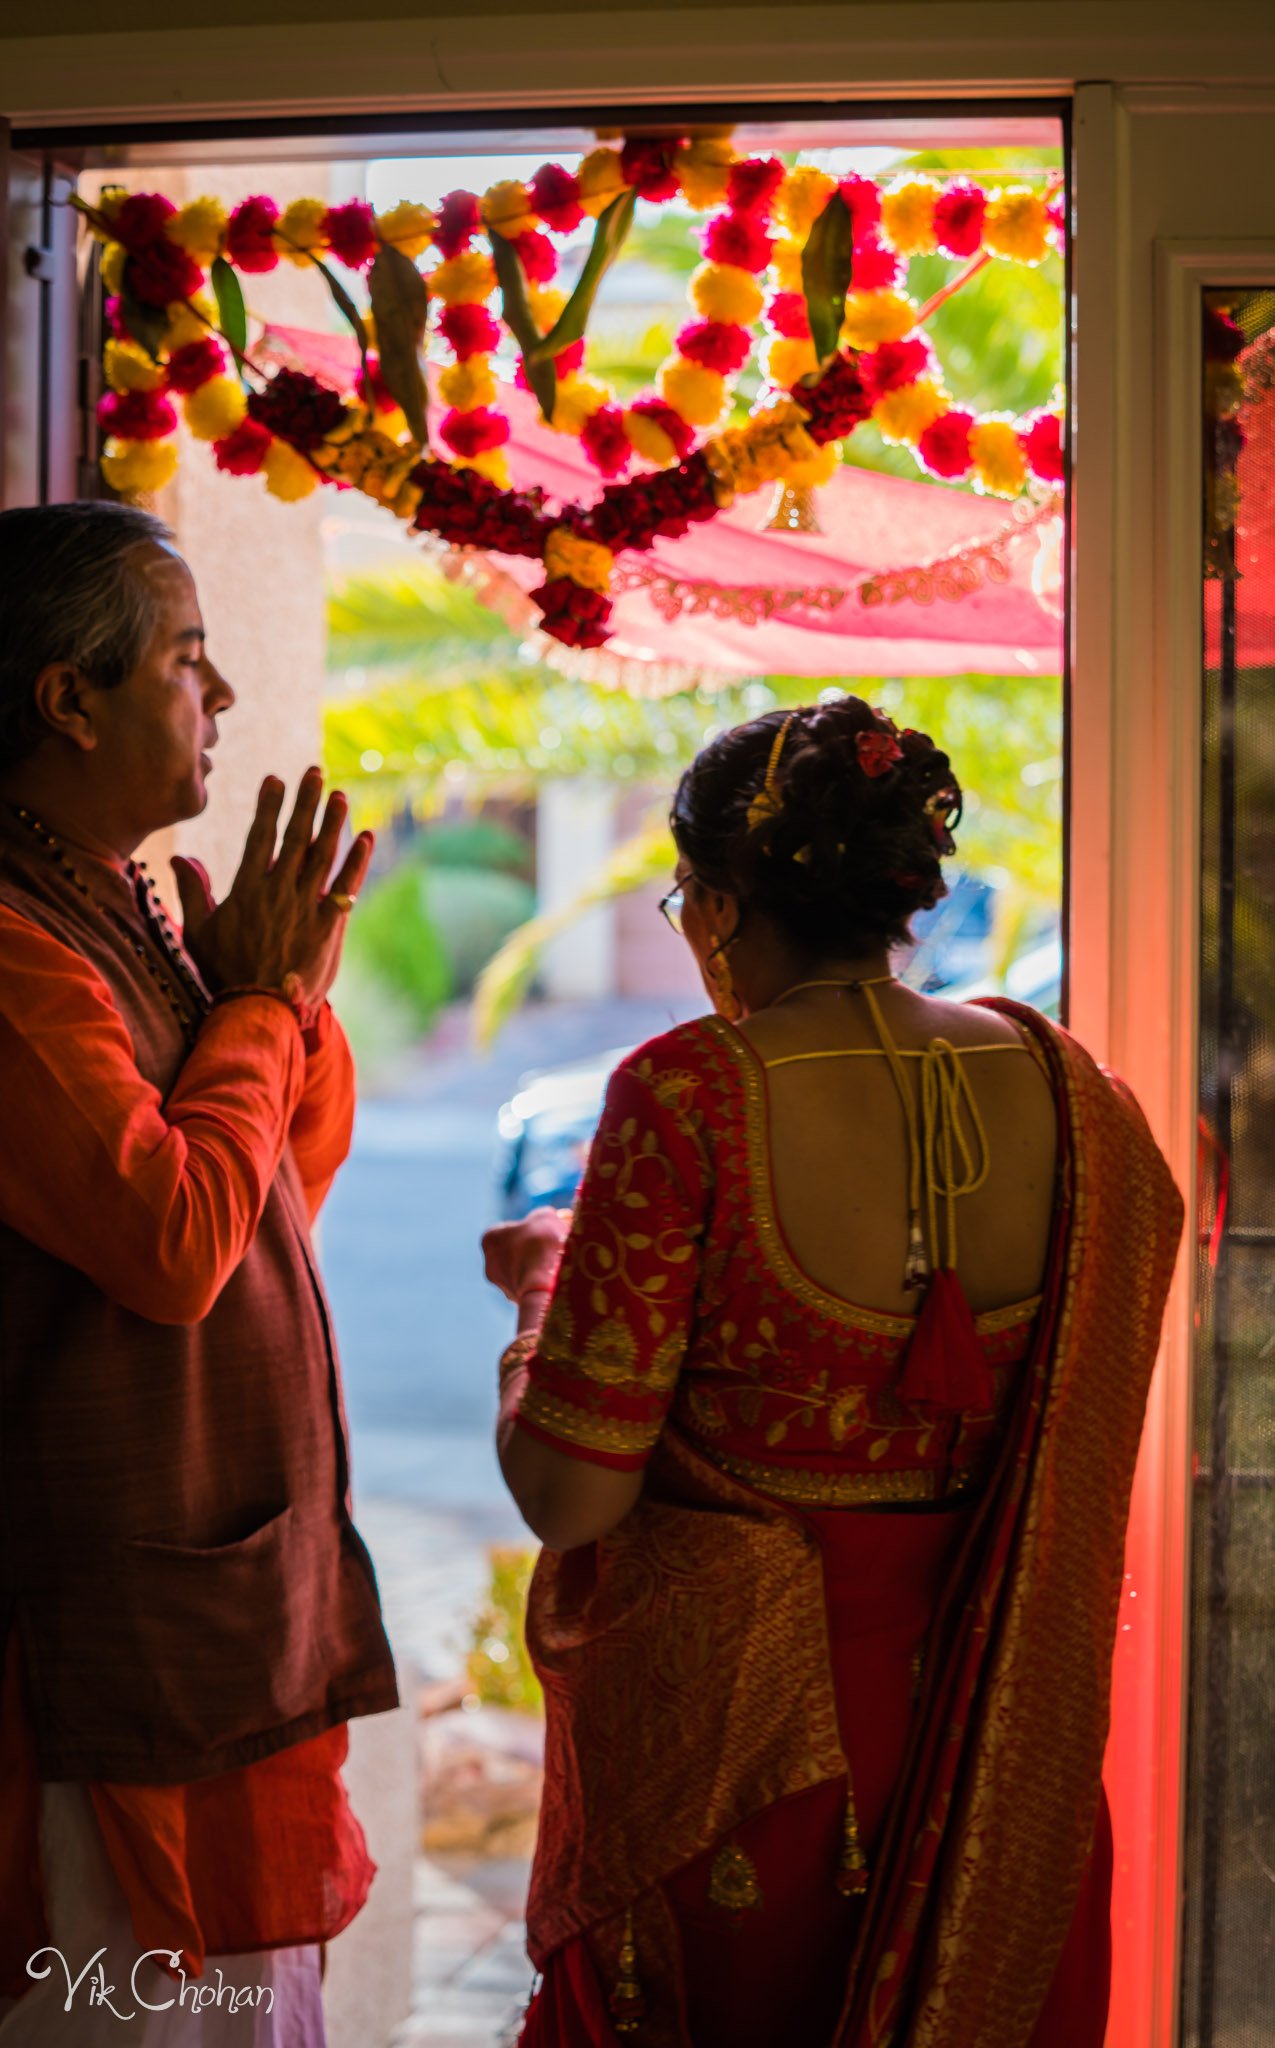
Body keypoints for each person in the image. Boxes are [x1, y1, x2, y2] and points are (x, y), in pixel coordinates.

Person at [483, 697, 1184, 2048]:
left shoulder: (692, 1093)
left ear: (720, 904)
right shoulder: (1077, 1097)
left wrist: (537, 1295)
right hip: (996, 1734)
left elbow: (569, 1496)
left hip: (750, 1764)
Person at [0, 501, 398, 2045]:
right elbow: (172, 1248)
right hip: (100, 1651)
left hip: (209, 1597)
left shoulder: (123, 911)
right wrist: (248, 1017)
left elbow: (270, 1201)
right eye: (187, 658)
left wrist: (280, 1005)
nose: (221, 698)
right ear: (69, 697)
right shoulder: (23, 949)